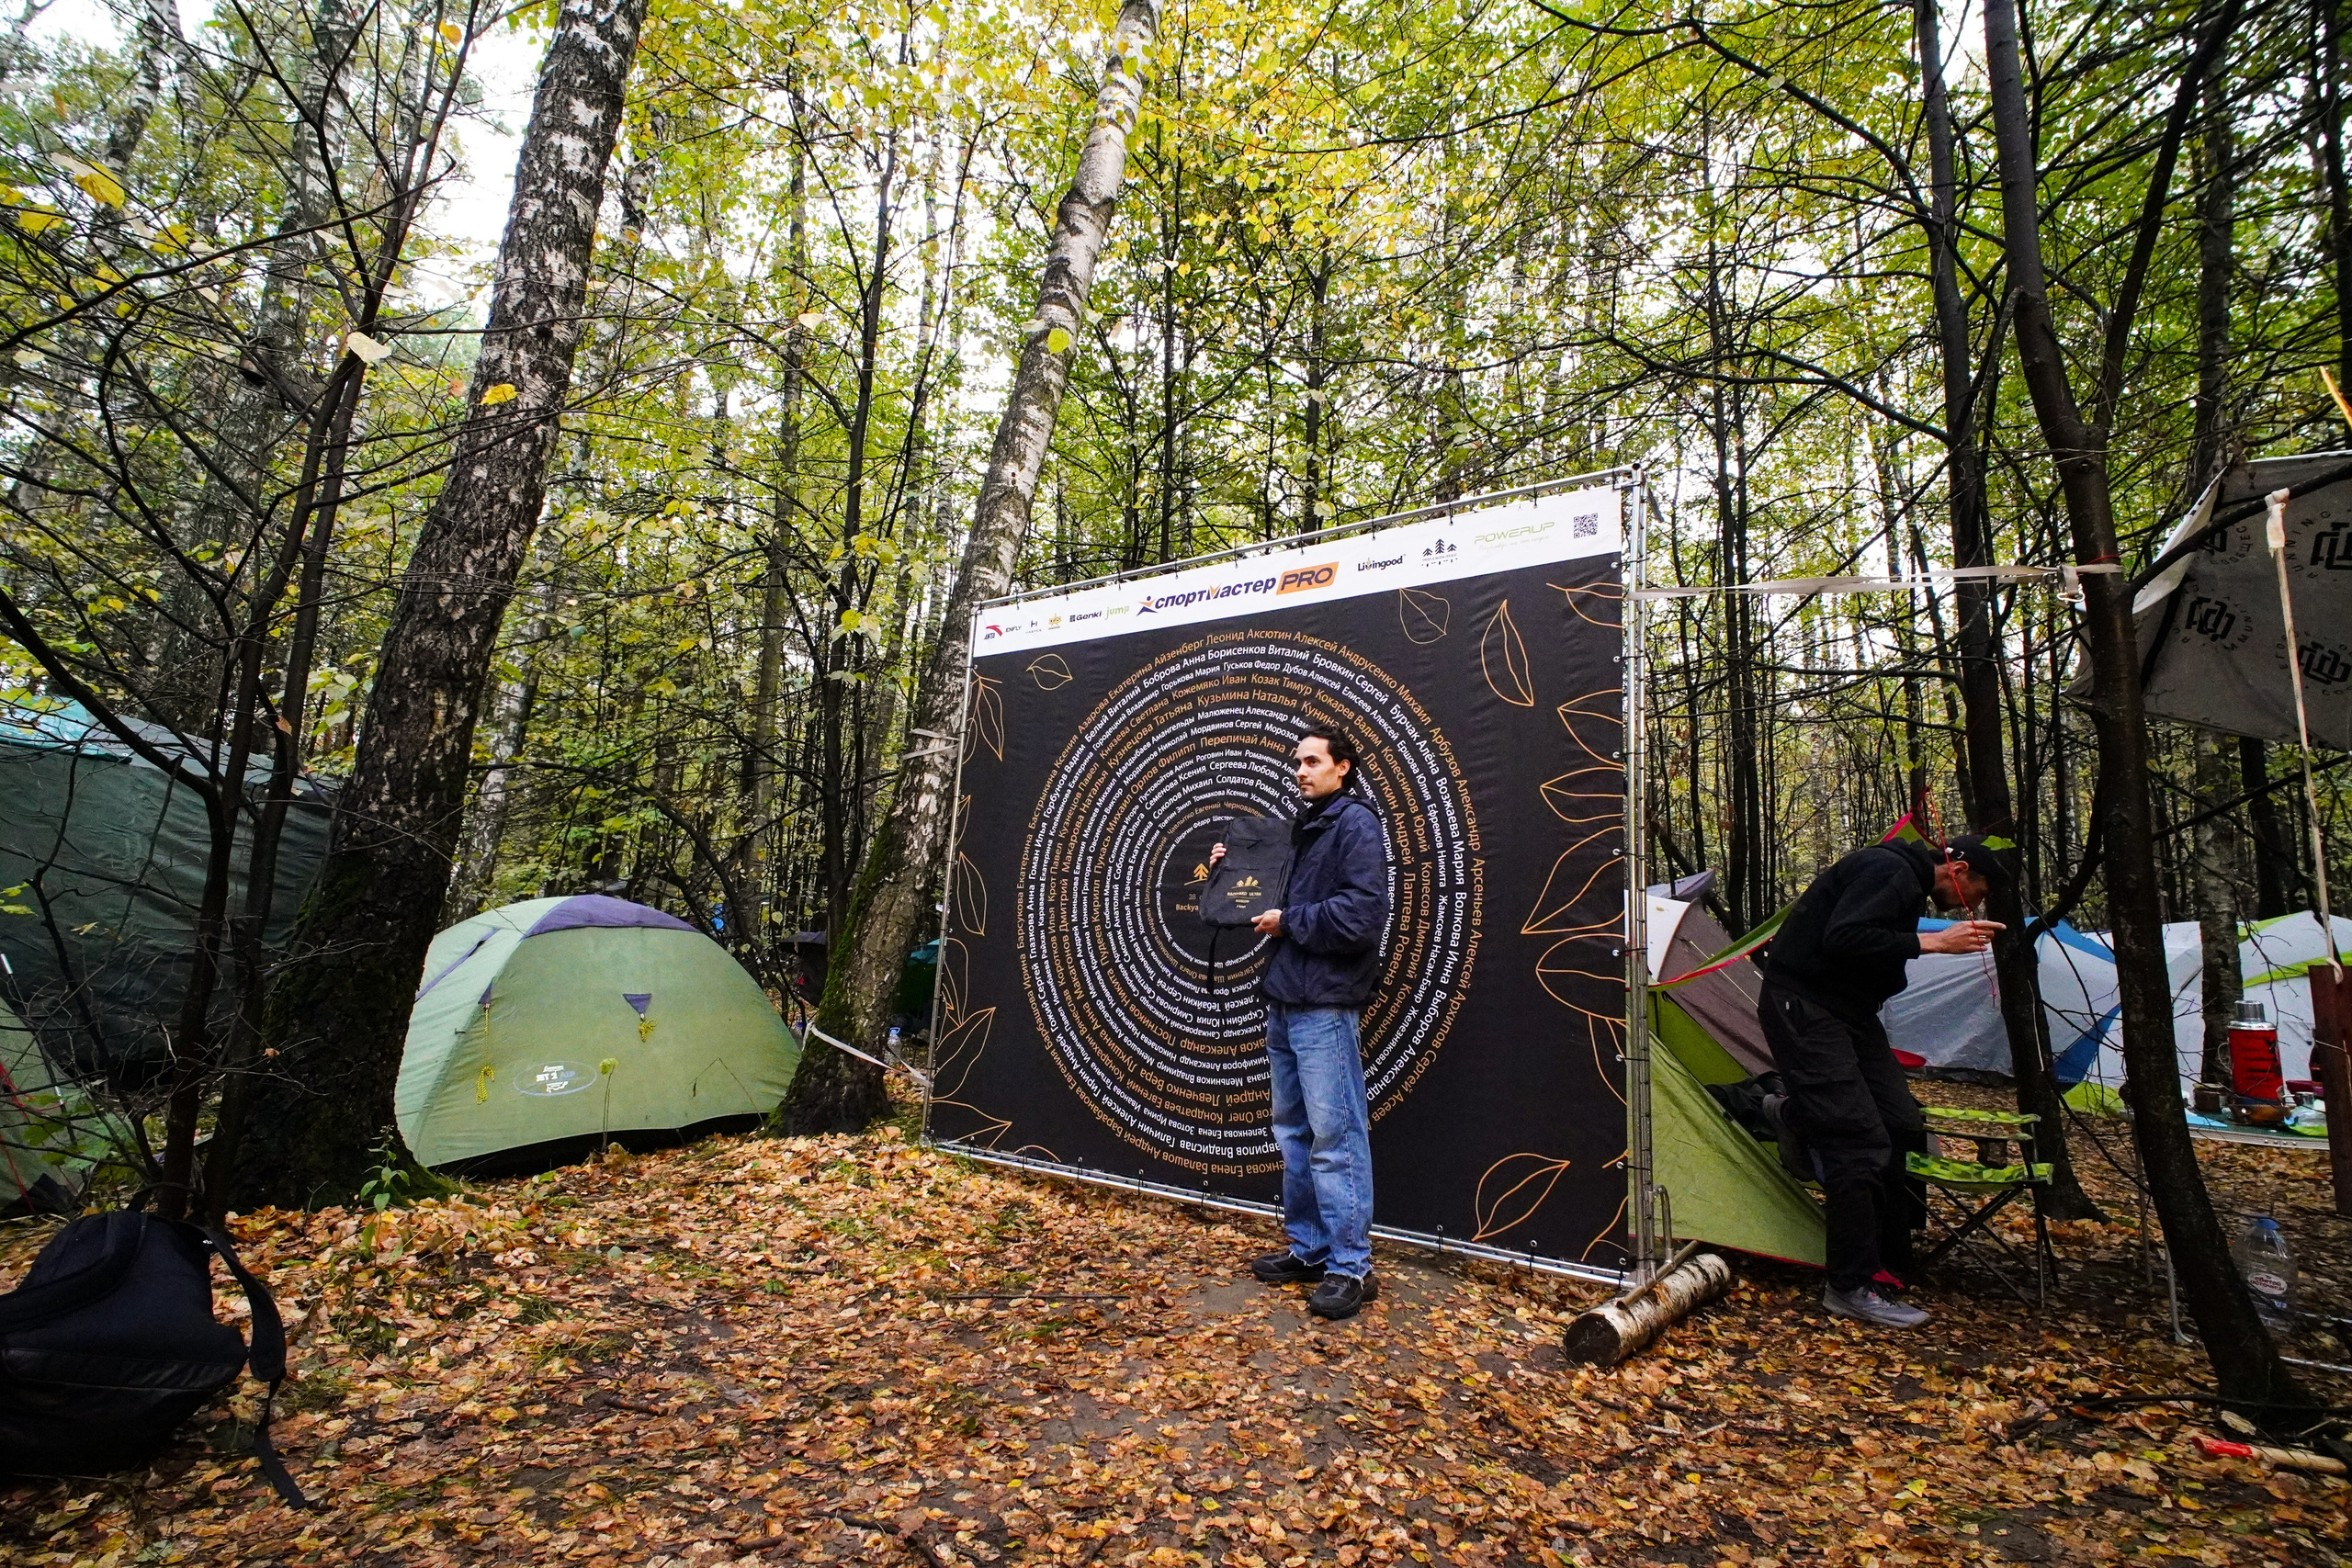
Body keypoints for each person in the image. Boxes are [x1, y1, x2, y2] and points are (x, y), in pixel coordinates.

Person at [1757, 832, 2007, 1329]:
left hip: (1849, 1012)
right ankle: (1848, 1285)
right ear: (1959, 873)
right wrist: (1932, 942)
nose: (1973, 907)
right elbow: (1843, 937)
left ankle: (1797, 1117)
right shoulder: (1887, 870)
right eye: (1978, 893)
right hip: (1806, 1007)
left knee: (1900, 1123)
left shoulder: (1905, 880)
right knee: (1857, 1141)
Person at [1207, 727, 1392, 1320]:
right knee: (1295, 1136)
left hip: (1325, 1005)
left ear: (1343, 766)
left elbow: (1361, 915)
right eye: (1297, 762)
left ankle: (1351, 1269)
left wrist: (1291, 921)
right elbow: (1263, 892)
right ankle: (1310, 1250)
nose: (1301, 771)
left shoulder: (1355, 824)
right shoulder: (1305, 829)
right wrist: (1227, 869)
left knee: (1336, 1140)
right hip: (1286, 997)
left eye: (1312, 761)